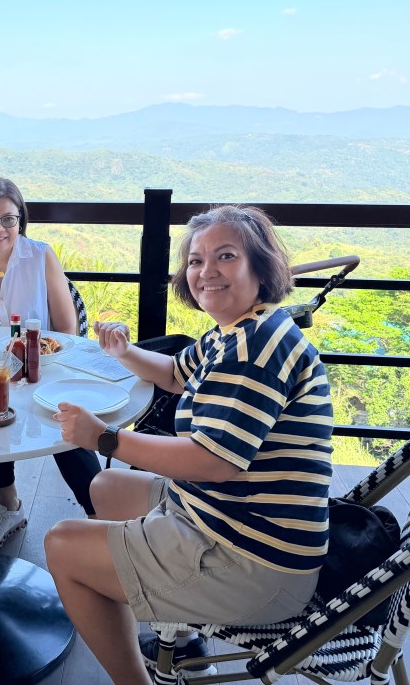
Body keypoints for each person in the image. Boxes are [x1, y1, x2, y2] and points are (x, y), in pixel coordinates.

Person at [44, 205, 333, 685]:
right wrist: (124, 352)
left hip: (253, 562)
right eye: (196, 260)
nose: (206, 271)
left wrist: (105, 438)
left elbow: (212, 461)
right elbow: (176, 375)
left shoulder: (253, 350)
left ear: (261, 268)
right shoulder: (240, 329)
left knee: (61, 546)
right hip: (230, 515)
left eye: (226, 256)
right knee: (105, 487)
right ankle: (169, 622)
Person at [0, 176, 101, 552]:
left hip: (44, 370)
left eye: (8, 219)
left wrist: (40, 360)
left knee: (67, 427)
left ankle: (102, 516)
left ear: (21, 220)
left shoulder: (40, 256)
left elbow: (67, 329)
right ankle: (9, 505)